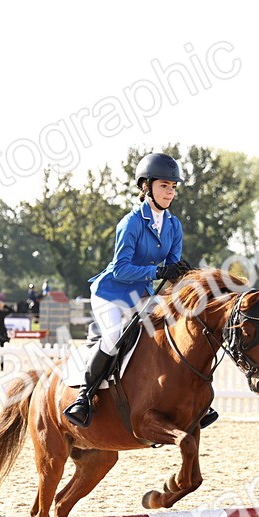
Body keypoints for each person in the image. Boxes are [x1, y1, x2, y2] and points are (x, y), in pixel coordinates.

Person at [62, 152, 208, 429]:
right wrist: (158, 272)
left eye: (173, 187)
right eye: (164, 185)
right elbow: (120, 269)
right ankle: (84, 398)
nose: (170, 192)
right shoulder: (130, 223)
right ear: (147, 186)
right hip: (111, 294)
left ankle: (190, 398)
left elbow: (172, 266)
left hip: (142, 296)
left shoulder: (173, 225)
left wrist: (181, 272)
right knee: (114, 336)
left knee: (175, 328)